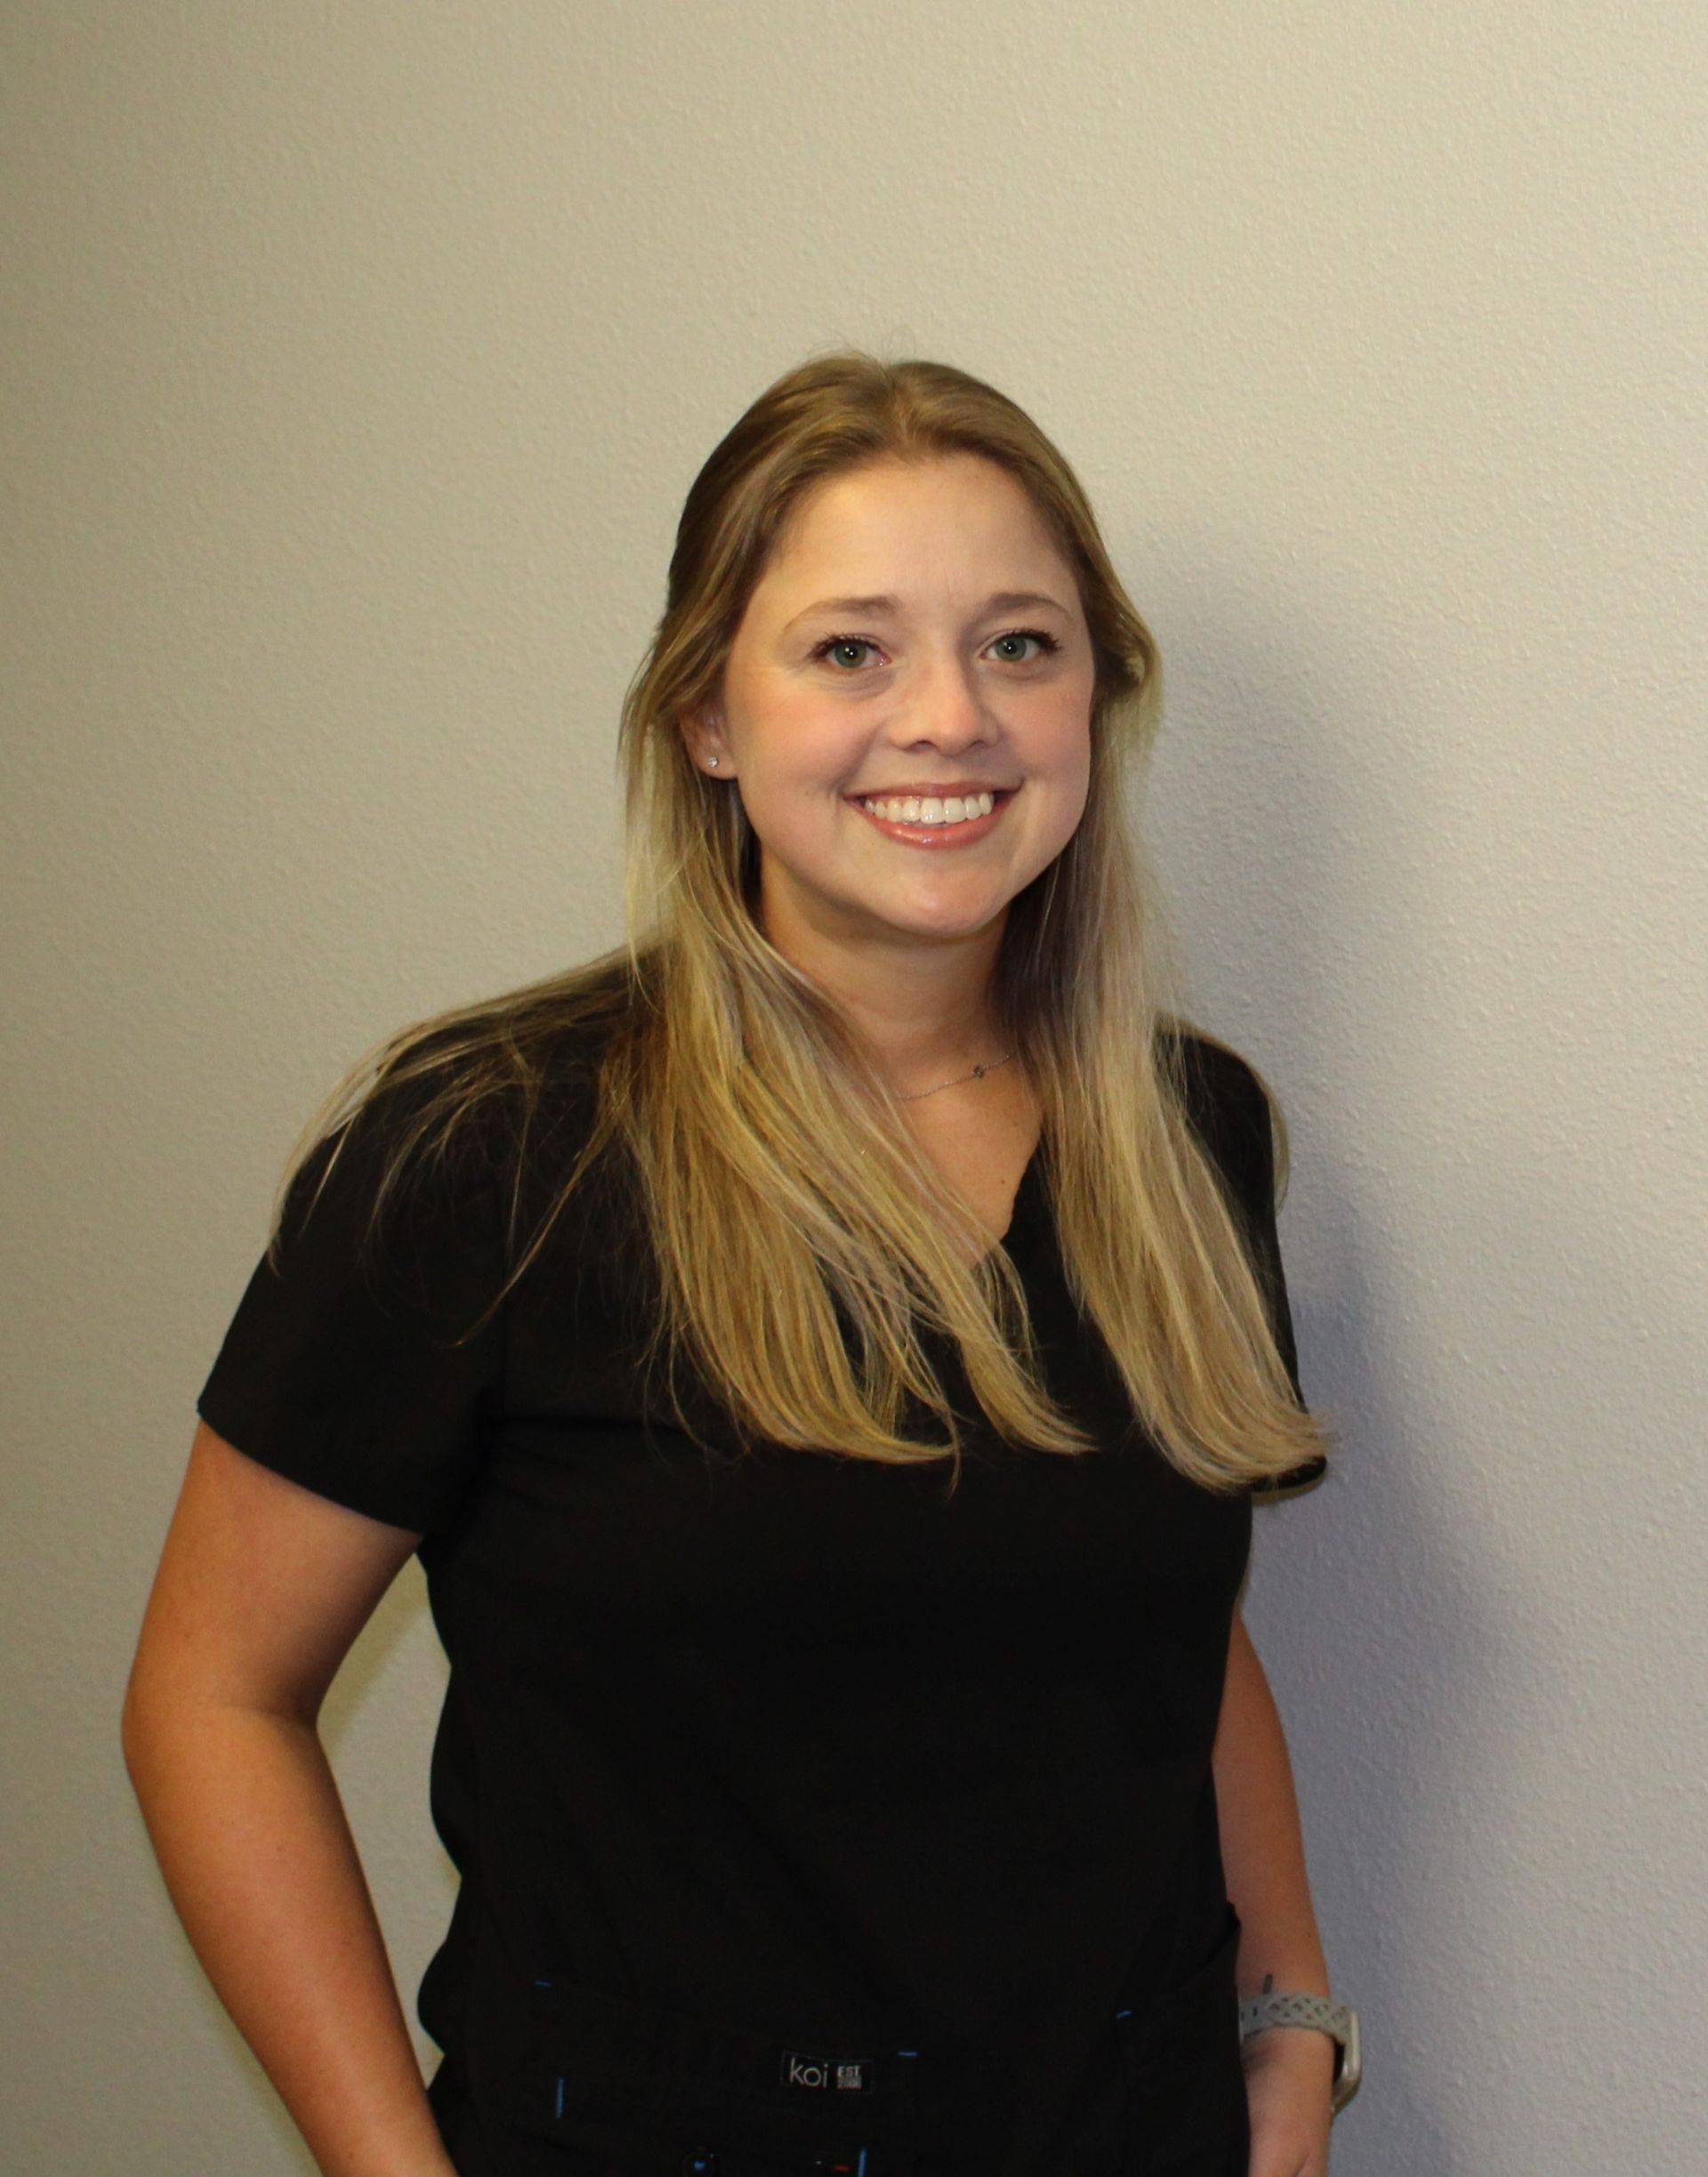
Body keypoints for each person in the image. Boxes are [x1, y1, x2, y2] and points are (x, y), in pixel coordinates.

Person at [123, 351, 1349, 2177]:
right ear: (708, 715)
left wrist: (1291, 2015)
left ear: (1100, 697)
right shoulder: (491, 1153)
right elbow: (210, 1697)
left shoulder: (1191, 1136)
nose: (950, 717)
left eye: (1021, 644)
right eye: (850, 650)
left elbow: (1159, 1617)